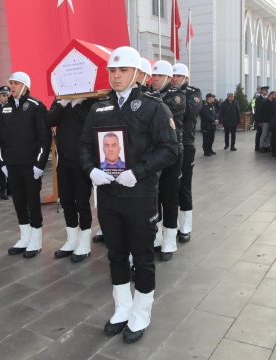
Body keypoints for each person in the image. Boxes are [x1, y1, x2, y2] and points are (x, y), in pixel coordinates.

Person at [79, 46, 178, 343]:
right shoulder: (99, 108)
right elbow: (84, 146)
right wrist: (90, 171)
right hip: (108, 195)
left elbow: (170, 148)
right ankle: (122, 308)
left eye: (122, 70)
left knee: (143, 256)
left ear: (137, 73)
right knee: (117, 254)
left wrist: (138, 171)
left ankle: (140, 313)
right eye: (112, 70)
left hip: (139, 193)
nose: (116, 75)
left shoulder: (153, 106)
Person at [0, 72, 50, 258]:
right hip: (12, 164)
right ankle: (25, 238)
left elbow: (45, 138)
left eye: (16, 83)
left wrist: (40, 164)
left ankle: (36, 241)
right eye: (11, 83)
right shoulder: (5, 109)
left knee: (33, 203)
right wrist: (3, 162)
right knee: (19, 202)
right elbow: (0, 140)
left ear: (26, 86)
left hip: (30, 165)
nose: (12, 86)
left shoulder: (36, 106)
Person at [46, 95, 98, 263]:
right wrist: (63, 103)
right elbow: (49, 120)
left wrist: (78, 102)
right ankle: (71, 240)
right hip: (64, 160)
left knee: (82, 202)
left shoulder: (90, 103)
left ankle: (84, 243)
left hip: (82, 161)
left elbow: (91, 125)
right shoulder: (60, 102)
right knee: (66, 201)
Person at [156, 62, 187, 261]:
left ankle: (169, 240)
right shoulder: (152, 96)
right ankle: (157, 237)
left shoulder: (177, 96)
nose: (155, 78)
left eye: (159, 75)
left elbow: (160, 114)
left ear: (169, 77)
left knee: (169, 197)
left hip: (172, 151)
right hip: (154, 152)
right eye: (153, 75)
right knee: (154, 197)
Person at [177, 74, 202, 244]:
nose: (174, 79)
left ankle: (185, 226)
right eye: (172, 76)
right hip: (169, 144)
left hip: (185, 144)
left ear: (185, 78)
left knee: (184, 186)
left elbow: (187, 113)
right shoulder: (167, 92)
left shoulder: (194, 93)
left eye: (178, 76)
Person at [254, 87, 269, 151]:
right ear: (262, 91)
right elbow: (258, 111)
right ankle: (257, 146)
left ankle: (263, 145)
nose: (267, 92)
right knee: (259, 133)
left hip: (263, 119)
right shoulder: (259, 99)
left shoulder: (265, 98)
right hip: (260, 119)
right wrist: (259, 120)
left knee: (263, 133)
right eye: (266, 91)